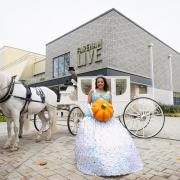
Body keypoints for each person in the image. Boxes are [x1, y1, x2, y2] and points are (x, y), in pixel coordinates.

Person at [75, 76, 143, 176]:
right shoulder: (92, 91)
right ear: (96, 83)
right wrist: (92, 112)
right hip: (94, 117)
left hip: (106, 117)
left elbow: (110, 105)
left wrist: (109, 113)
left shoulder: (108, 93)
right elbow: (88, 103)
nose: (100, 83)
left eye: (102, 82)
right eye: (98, 82)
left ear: (104, 83)